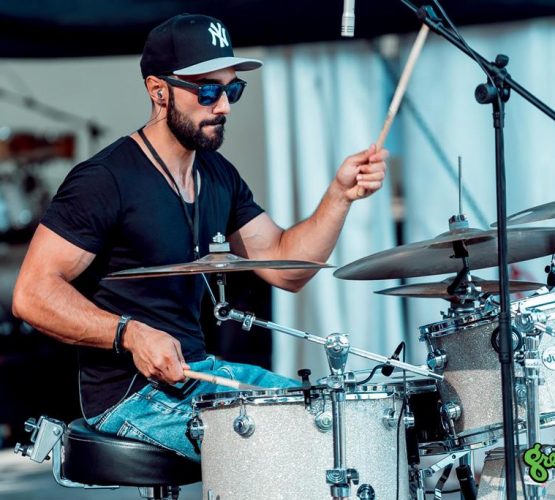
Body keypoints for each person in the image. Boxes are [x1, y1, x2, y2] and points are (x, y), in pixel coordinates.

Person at [12, 13, 388, 461]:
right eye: (208, 90)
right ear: (158, 90)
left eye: (232, 89)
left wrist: (340, 196)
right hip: (130, 396)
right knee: (296, 447)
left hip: (199, 372)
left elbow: (287, 266)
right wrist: (130, 334)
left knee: (338, 421)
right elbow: (32, 294)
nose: (224, 106)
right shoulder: (105, 179)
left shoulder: (217, 174)